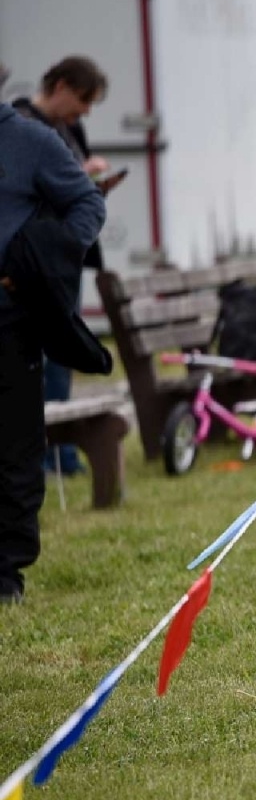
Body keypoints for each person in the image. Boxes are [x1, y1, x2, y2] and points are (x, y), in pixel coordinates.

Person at [0, 95, 107, 603]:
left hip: (9, 317)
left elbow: (88, 203)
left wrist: (47, 257)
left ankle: (6, 574)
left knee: (15, 446)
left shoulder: (31, 140)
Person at [13, 56, 113, 478]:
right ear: (62, 86)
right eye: (83, 100)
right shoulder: (22, 124)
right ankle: (38, 454)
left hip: (66, 258)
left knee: (64, 356)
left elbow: (74, 192)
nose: (85, 112)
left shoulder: (70, 129)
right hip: (36, 259)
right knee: (35, 361)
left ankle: (64, 454)